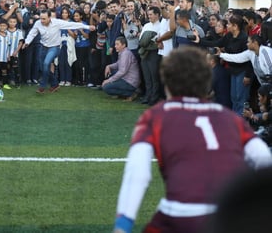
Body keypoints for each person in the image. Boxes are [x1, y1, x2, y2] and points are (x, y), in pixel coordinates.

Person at [113, 47, 272, 233]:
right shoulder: (230, 118)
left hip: (180, 215)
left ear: (167, 81)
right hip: (227, 217)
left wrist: (123, 225)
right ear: (206, 80)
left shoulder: (155, 117)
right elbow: (263, 159)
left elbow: (138, 173)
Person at [22, 9, 96, 94]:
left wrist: (87, 27)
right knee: (43, 67)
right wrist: (27, 42)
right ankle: (55, 84)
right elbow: (32, 33)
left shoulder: (57, 22)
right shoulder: (38, 23)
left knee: (46, 64)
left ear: (50, 17)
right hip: (43, 47)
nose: (42, 21)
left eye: (44, 19)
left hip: (54, 47)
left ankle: (42, 86)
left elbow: (71, 24)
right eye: (41, 18)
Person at [102, 36, 139, 101]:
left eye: (117, 44)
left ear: (123, 45)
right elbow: (118, 64)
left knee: (106, 87)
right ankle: (122, 93)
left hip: (130, 82)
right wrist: (109, 66)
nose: (115, 46)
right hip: (126, 78)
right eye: (115, 44)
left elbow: (122, 71)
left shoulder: (126, 54)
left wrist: (109, 80)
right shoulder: (123, 52)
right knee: (111, 73)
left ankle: (130, 93)